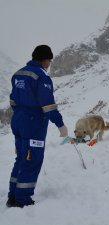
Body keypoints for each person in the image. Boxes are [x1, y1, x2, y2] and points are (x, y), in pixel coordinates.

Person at [6, 45, 68, 208]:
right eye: (49, 60)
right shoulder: (41, 76)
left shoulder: (18, 74)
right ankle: (23, 199)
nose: (49, 63)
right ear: (44, 59)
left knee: (21, 158)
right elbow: (47, 105)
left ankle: (13, 195)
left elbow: (12, 101)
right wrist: (60, 125)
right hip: (33, 124)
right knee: (32, 159)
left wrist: (21, 113)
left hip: (18, 120)